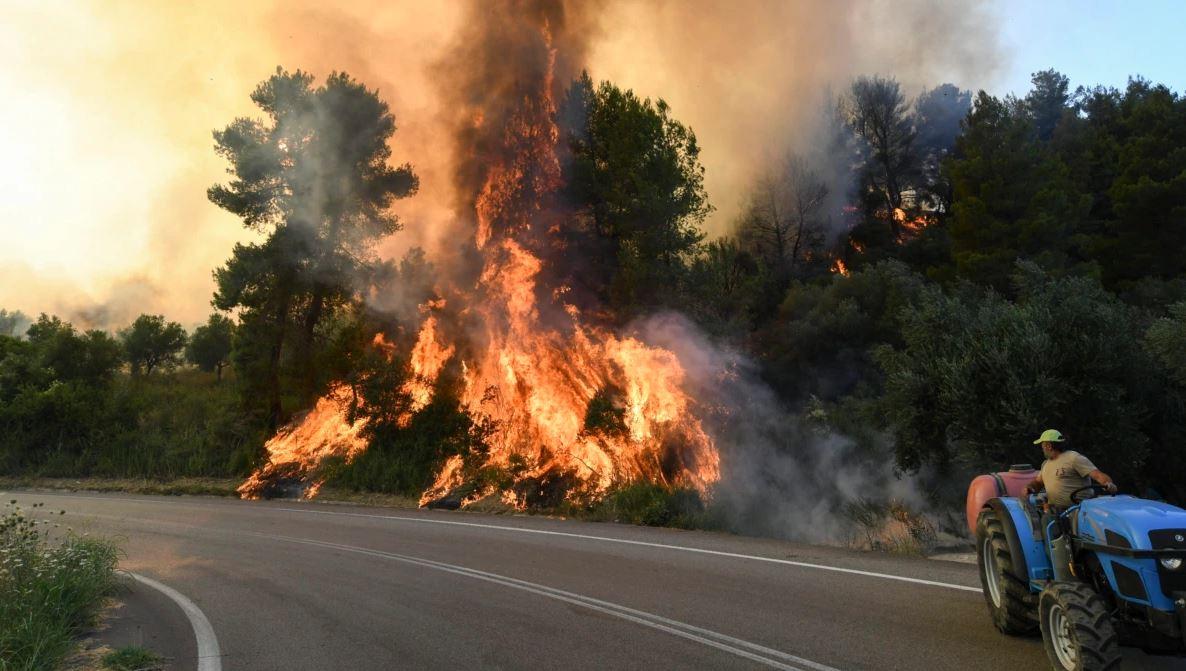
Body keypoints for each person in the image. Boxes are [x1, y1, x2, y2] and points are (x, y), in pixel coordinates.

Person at [1022, 429, 1117, 509]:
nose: (1042, 449)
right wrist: (1030, 488)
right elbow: (1038, 482)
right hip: (1056, 513)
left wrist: (1108, 484)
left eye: (1042, 446)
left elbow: (1097, 475)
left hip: (1078, 510)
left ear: (1049, 446)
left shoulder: (1073, 458)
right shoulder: (1046, 464)